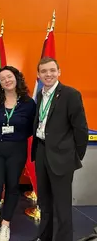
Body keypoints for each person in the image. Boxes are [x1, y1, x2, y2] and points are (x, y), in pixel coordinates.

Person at [30, 57, 88, 241]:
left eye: (52, 70)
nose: (48, 74)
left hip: (62, 157)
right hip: (41, 152)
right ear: (38, 75)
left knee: (62, 205)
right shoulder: (40, 95)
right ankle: (44, 236)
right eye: (44, 71)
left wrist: (74, 155)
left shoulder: (71, 94)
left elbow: (80, 128)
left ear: (59, 72)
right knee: (44, 202)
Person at [0, 66, 36, 241]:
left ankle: (5, 225)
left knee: (12, 186)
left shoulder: (28, 103)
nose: (7, 80)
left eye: (9, 76)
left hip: (17, 149)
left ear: (16, 77)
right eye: (2, 79)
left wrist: (16, 136)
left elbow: (32, 127)